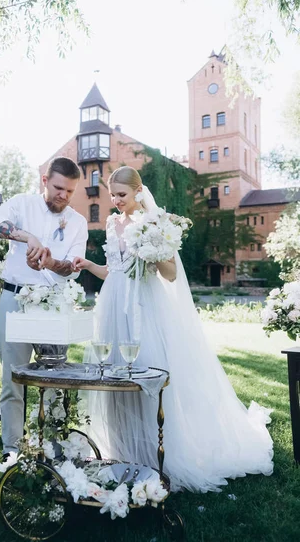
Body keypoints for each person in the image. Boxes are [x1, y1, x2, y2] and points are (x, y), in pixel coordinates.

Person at [72, 166, 273, 493]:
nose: (115, 200)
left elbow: (170, 274)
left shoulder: (155, 222)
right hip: (113, 307)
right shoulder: (111, 223)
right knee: (114, 375)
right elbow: (115, 271)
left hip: (145, 307)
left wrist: (151, 255)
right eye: (112, 195)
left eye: (121, 194)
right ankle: (123, 448)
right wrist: (88, 266)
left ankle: (157, 453)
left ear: (138, 192)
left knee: (147, 374)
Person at [0, 157, 88, 459]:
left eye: (70, 191)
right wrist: (27, 237)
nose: (64, 196)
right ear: (45, 180)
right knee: (13, 378)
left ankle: (54, 451)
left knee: (55, 379)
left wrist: (51, 261)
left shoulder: (79, 222)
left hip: (54, 305)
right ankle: (12, 452)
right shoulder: (21, 204)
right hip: (14, 300)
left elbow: (72, 267)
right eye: (59, 188)